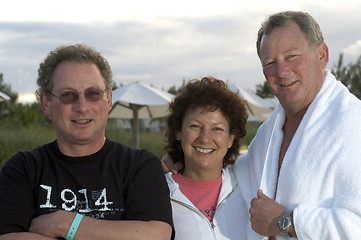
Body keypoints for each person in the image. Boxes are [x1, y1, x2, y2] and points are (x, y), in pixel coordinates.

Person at [163, 11, 361, 239]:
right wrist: (182, 161)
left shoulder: (353, 124)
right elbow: (236, 170)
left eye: (292, 56)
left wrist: (286, 221)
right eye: (270, 62)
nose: (282, 71)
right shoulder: (270, 132)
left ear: (322, 54)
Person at [0, 44, 173, 240]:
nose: (82, 107)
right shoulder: (22, 168)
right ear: (45, 103)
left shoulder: (140, 165)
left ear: (108, 99)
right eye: (67, 95)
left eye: (93, 94)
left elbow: (157, 234)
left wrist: (66, 224)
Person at [164, 76, 249, 239]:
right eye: (195, 126)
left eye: (217, 129)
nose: (205, 138)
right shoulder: (157, 193)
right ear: (178, 131)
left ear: (230, 138)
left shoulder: (247, 184)